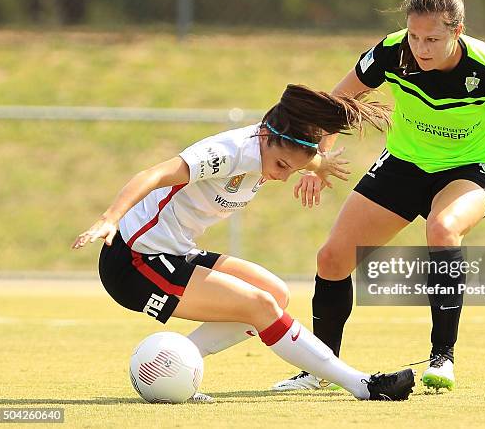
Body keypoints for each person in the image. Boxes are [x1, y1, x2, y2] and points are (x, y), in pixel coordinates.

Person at [273, 0, 485, 393]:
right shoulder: (391, 52)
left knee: (442, 229)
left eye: (433, 38)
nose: (421, 47)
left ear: (458, 31)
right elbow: (338, 101)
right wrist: (318, 161)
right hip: (404, 165)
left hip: (473, 166)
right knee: (331, 259)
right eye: (415, 36)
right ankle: (320, 370)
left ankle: (443, 357)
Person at [72, 84, 416, 402]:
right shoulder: (227, 152)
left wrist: (319, 167)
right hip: (133, 261)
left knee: (275, 293)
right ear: (266, 135)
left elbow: (307, 157)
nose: (281, 176)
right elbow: (154, 174)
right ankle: (362, 385)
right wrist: (110, 218)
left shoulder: (282, 148)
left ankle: (171, 364)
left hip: (175, 251)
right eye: (281, 165)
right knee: (260, 305)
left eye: (291, 170)